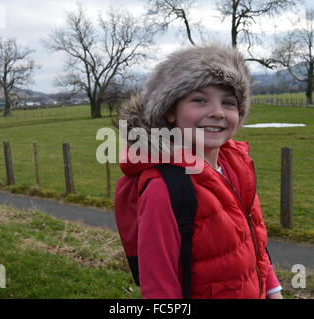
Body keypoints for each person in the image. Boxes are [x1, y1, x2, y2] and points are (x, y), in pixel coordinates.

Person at [115, 44, 283, 299]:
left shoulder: (238, 168)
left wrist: (272, 289)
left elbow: (254, 241)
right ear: (171, 111)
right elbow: (159, 287)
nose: (217, 112)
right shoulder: (163, 187)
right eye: (200, 100)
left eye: (228, 102)